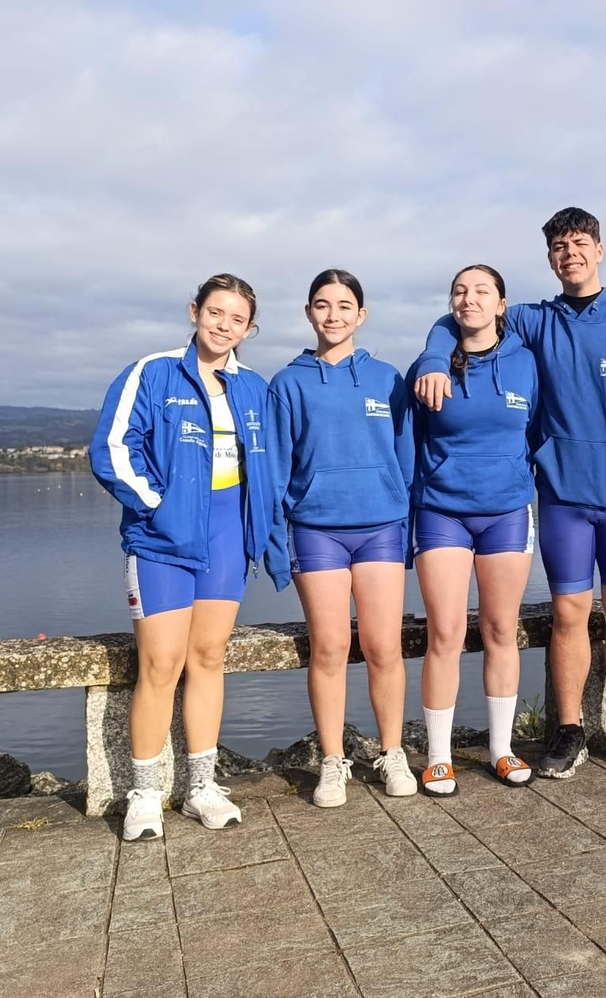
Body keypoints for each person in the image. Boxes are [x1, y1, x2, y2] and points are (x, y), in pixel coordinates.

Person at [413, 207, 606, 777]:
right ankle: (568, 729)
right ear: (550, 258)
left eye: (580, 243)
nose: (570, 254)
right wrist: (436, 357)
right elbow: (461, 316)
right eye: (559, 247)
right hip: (561, 494)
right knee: (567, 613)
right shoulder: (534, 321)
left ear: (600, 250)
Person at [89, 273, 279, 842]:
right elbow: (113, 449)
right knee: (159, 665)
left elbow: (267, 465)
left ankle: (201, 786)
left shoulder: (253, 388)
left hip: (225, 536)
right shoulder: (153, 372)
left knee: (208, 658)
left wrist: (263, 532)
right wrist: (159, 505)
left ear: (250, 328)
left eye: (237, 318)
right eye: (215, 312)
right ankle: (144, 795)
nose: (224, 325)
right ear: (195, 312)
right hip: (162, 541)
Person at [266, 270, 417, 806]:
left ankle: (392, 752)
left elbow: (407, 458)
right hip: (316, 530)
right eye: (323, 305)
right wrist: (274, 540)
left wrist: (406, 524)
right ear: (309, 312)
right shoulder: (287, 384)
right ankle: (334, 762)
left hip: (380, 527)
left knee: (382, 646)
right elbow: (277, 468)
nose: (334, 315)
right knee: (329, 647)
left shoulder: (387, 379)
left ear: (362, 314)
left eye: (345, 305)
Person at [410, 265, 538, 795]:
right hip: (442, 512)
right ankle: (439, 756)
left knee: (501, 631)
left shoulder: (528, 363)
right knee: (445, 633)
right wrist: (435, 354)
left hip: (506, 511)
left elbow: (544, 428)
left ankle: (501, 750)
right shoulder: (430, 365)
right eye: (460, 291)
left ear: (502, 304)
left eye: (482, 291)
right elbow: (408, 441)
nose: (470, 299)